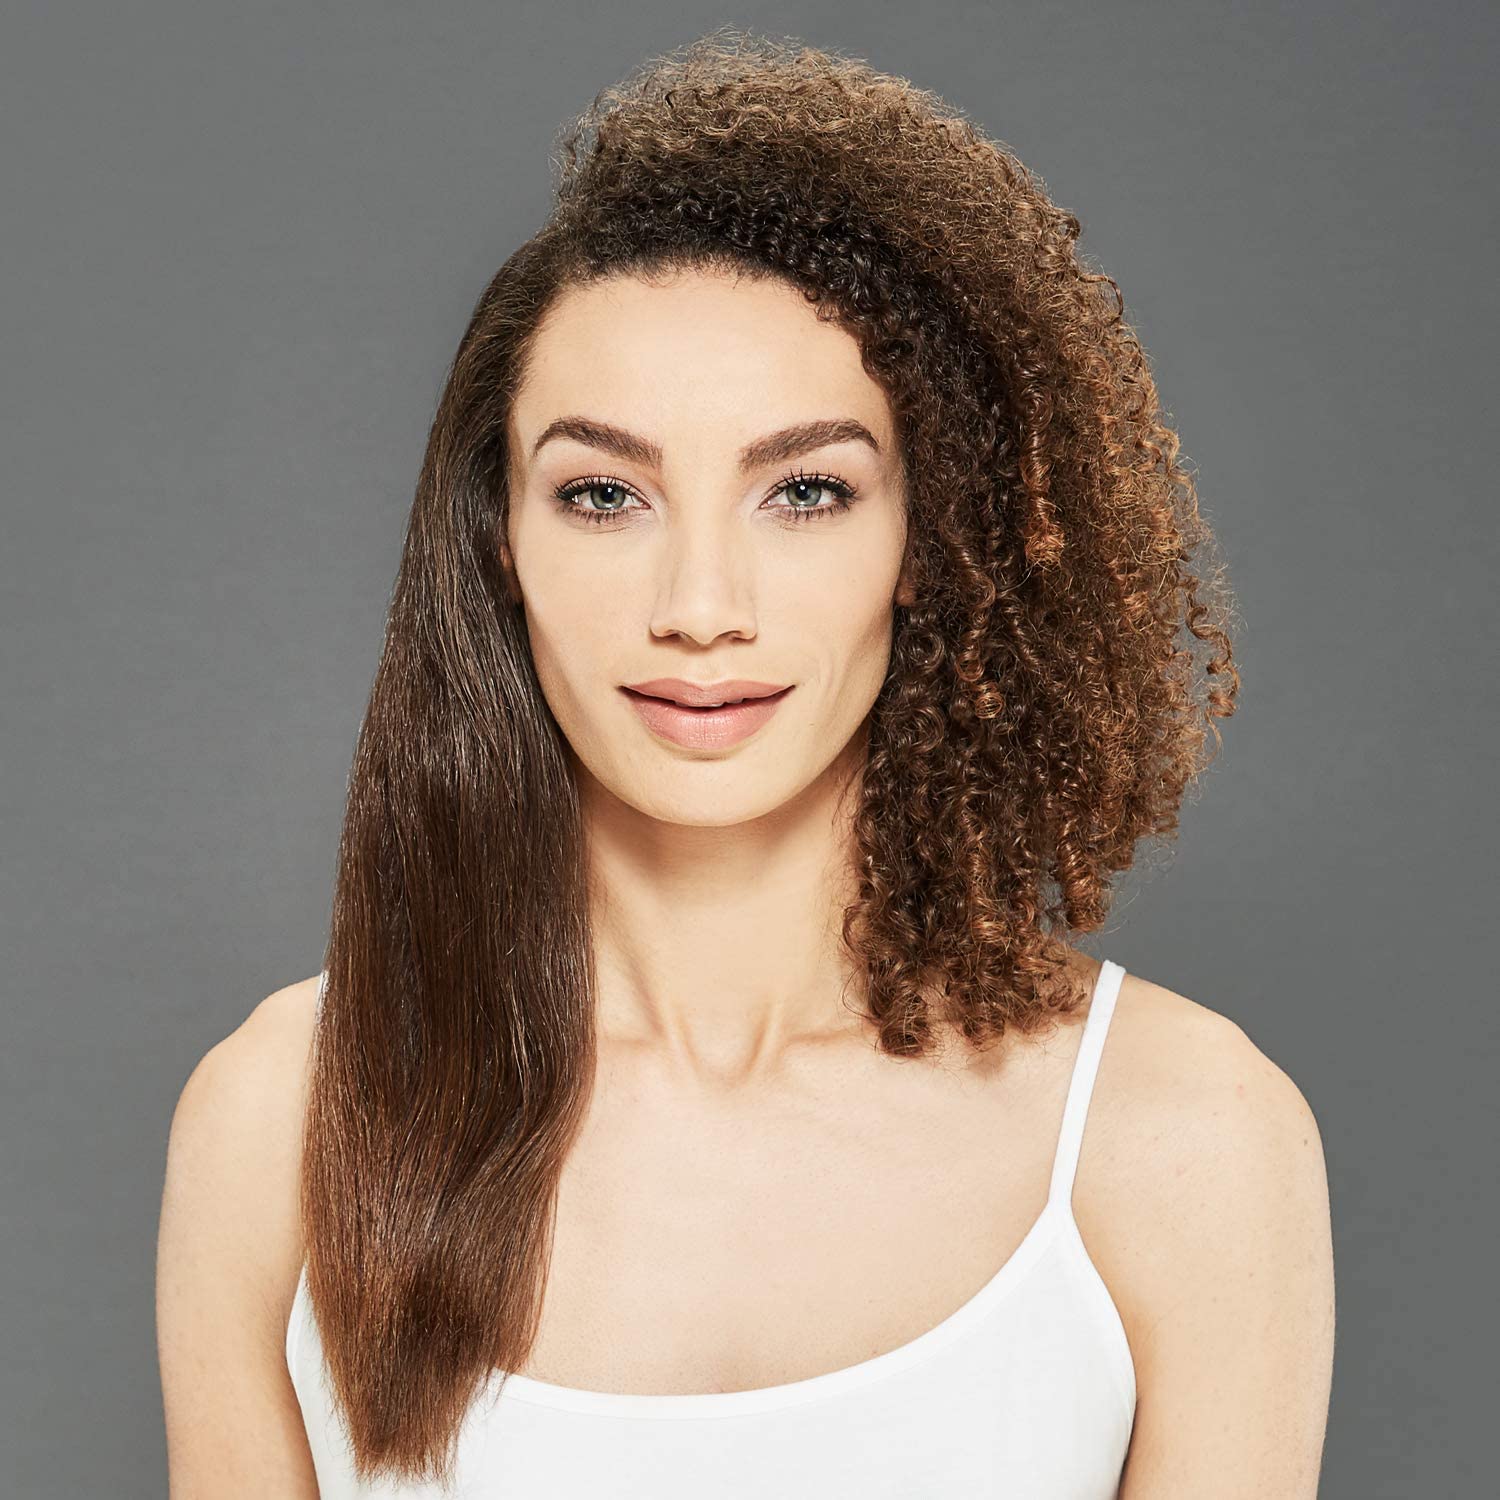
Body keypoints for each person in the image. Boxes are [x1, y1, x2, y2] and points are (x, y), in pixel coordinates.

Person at [156, 28, 1335, 1499]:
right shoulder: (280, 1122)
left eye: (806, 491)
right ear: (499, 541)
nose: (701, 606)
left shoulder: (1181, 1140)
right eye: (604, 494)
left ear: (930, 539)